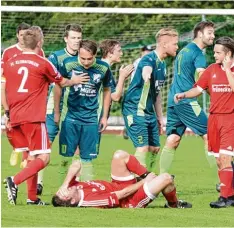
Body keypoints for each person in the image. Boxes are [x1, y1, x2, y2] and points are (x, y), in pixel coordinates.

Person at [3, 26, 87, 206]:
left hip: (14, 116)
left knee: (31, 157)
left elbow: (4, 87)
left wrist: (6, 111)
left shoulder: (10, 62)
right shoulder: (42, 62)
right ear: (40, 43)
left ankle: (32, 198)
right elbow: (61, 81)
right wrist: (75, 81)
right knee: (44, 157)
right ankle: (14, 181)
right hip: (33, 116)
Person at [174, 37, 234, 209]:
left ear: (228, 53)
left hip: (230, 119)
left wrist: (228, 69)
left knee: (225, 158)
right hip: (214, 119)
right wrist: (184, 94)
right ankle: (230, 193)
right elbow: (199, 89)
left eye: (217, 52)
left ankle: (225, 197)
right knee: (219, 161)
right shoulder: (211, 69)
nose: (214, 55)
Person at [159, 21, 215, 174]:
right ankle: (222, 180)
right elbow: (202, 77)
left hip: (173, 99)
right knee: (210, 134)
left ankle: (161, 176)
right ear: (200, 34)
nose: (213, 36)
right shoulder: (197, 53)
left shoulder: (184, 50)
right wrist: (216, 95)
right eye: (210, 33)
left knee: (173, 139)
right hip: (186, 100)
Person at [52, 150, 192, 209]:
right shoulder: (89, 200)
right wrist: (144, 182)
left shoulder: (73, 187)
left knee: (119, 155)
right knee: (166, 178)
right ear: (72, 200)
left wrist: (64, 184)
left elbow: (77, 164)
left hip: (118, 184)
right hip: (130, 199)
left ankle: (146, 175)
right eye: (65, 192)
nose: (67, 189)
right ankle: (173, 204)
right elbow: (122, 195)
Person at [54, 39, 112, 182]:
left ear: (95, 55)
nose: (86, 62)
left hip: (91, 119)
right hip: (70, 116)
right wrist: (56, 112)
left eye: (89, 59)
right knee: (65, 157)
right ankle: (63, 191)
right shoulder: (68, 64)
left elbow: (107, 90)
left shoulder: (103, 68)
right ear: (78, 53)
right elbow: (58, 86)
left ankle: (87, 192)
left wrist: (104, 117)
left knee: (87, 158)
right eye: (82, 58)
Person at [122, 28, 179, 171]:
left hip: (148, 111)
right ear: (164, 44)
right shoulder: (148, 59)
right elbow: (146, 68)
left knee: (154, 148)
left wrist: (160, 118)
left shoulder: (163, 64)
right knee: (142, 148)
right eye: (175, 44)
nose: (177, 47)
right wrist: (146, 75)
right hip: (135, 108)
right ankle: (136, 181)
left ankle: (146, 176)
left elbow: (157, 93)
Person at [45, 24, 84, 189]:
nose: (76, 41)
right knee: (45, 146)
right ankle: (38, 183)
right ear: (66, 39)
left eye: (79, 38)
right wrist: (54, 110)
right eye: (73, 38)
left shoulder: (84, 57)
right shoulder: (56, 57)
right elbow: (51, 84)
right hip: (53, 108)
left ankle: (76, 185)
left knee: (77, 149)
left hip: (75, 109)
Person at [1, 22, 45, 168]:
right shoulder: (8, 52)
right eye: (21, 35)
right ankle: (16, 148)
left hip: (29, 98)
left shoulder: (39, 51)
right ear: (17, 35)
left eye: (27, 35)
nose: (24, 38)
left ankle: (26, 158)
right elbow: (3, 76)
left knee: (27, 130)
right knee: (10, 125)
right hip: (12, 95)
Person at [123, 45, 154, 140]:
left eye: (149, 51)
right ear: (142, 52)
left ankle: (132, 129)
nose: (147, 53)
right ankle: (129, 128)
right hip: (137, 91)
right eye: (146, 51)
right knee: (136, 111)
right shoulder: (138, 62)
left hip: (146, 90)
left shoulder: (151, 62)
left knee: (143, 111)